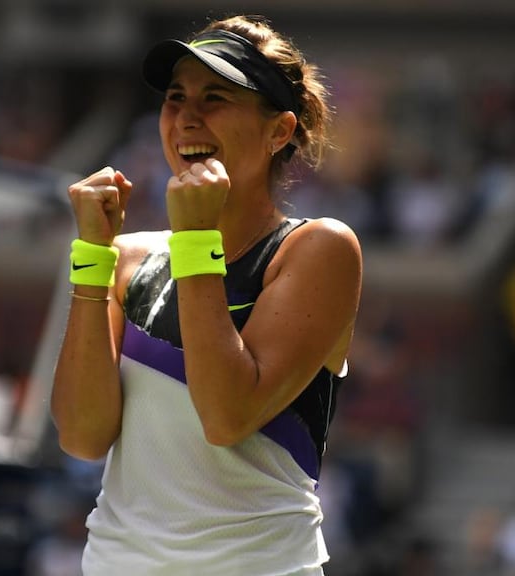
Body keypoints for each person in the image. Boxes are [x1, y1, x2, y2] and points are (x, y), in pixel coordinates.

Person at [52, 15, 363, 575]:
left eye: (215, 97)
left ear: (280, 131)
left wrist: (195, 240)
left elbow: (226, 416)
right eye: (175, 98)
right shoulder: (125, 258)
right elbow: (81, 435)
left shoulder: (319, 249)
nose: (186, 118)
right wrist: (91, 258)